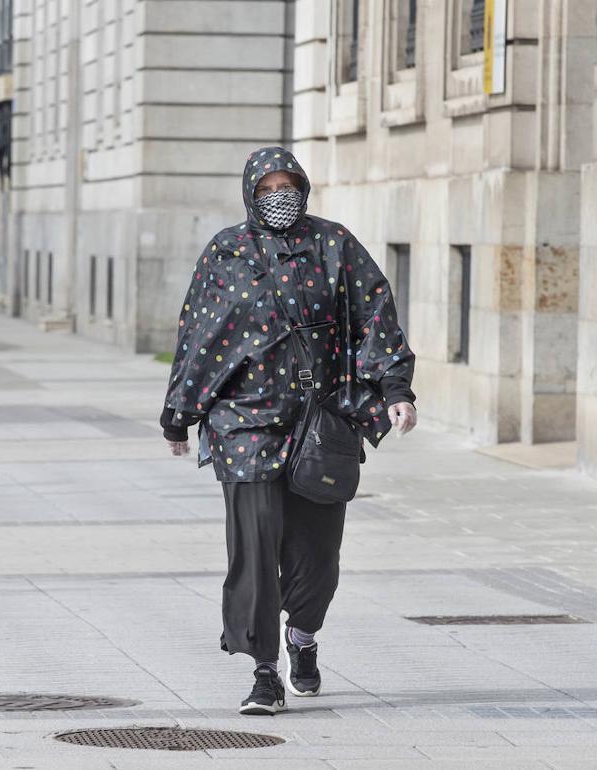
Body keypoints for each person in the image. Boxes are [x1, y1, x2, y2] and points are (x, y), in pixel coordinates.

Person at [160, 146, 417, 716]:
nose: (279, 197)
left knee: (317, 557)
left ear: (303, 187)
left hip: (319, 418)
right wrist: (179, 413)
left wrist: (396, 390)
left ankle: (303, 636)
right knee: (253, 550)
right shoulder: (227, 251)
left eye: (288, 186)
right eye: (267, 188)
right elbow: (198, 333)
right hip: (244, 423)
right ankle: (264, 671)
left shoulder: (334, 244)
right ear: (250, 193)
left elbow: (376, 315)